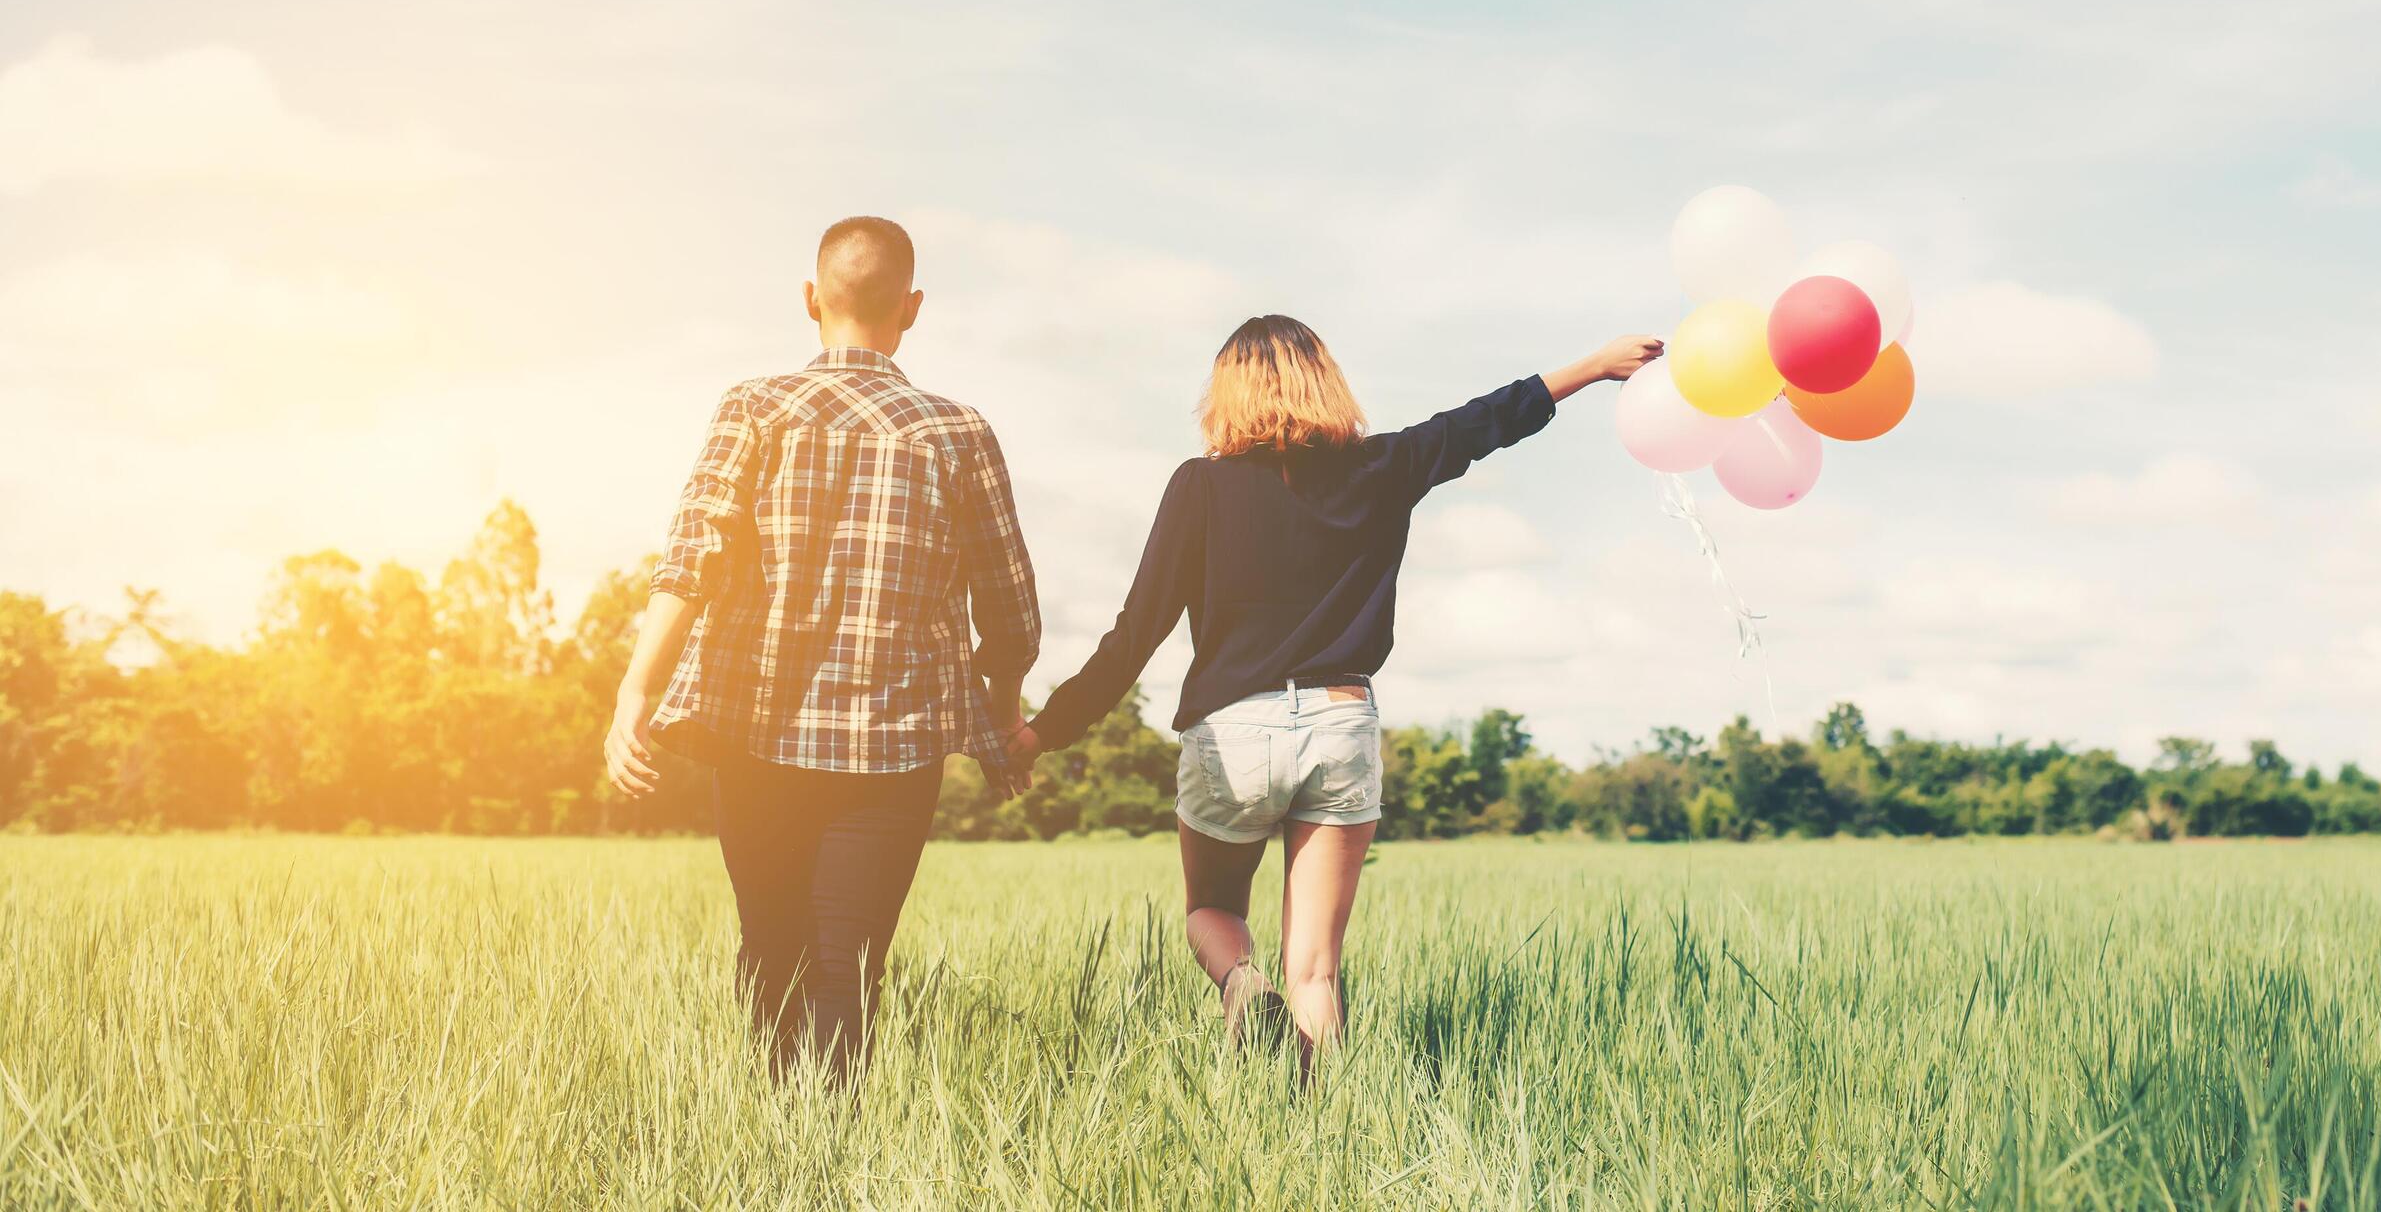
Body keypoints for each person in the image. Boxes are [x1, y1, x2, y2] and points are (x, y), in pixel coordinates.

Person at [1011, 316, 1659, 1076]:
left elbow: (1133, 636)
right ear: (1327, 382)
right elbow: (1484, 421)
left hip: (1236, 733)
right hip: (1341, 723)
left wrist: (1039, 733)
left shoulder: (1199, 487)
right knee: (1315, 967)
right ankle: (1323, 1131)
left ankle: (1243, 986)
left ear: (1225, 393)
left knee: (1212, 912)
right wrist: (1594, 366)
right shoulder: (1383, 467)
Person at [601, 216, 1039, 1083]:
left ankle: (772, 1140)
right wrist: (1001, 714)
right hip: (891, 749)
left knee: (769, 943)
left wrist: (634, 695)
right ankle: (830, 1157)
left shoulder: (754, 407)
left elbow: (691, 556)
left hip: (753, 733)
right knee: (850, 964)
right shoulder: (957, 434)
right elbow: (1011, 608)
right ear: (910, 309)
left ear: (811, 299)